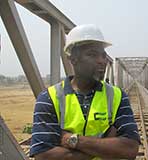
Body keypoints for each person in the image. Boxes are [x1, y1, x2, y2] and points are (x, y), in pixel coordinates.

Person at [30, 24, 140, 160]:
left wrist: (72, 140)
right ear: (73, 59)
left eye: (103, 56)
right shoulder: (49, 97)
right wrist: (106, 145)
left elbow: (129, 149)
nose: (102, 61)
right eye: (92, 55)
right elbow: (44, 155)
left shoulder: (117, 96)